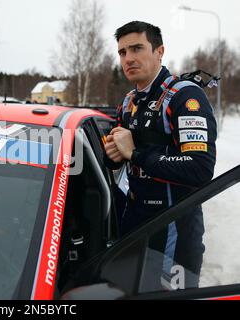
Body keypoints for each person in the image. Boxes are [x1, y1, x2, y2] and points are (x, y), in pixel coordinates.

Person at [104, 21, 217, 289]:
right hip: (134, 230)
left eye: (137, 48)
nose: (129, 58)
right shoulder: (129, 101)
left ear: (159, 51)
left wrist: (136, 153)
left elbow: (200, 169)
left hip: (173, 234)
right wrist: (114, 155)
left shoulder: (185, 96)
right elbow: (122, 160)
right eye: (122, 52)